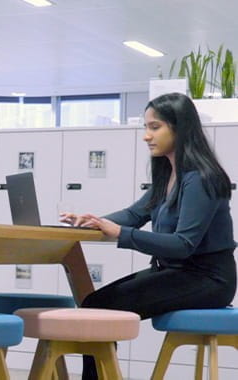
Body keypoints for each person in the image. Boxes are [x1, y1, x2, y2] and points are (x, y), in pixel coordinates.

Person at [61, 93, 237, 380]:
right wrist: (94, 221)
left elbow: (183, 245)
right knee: (94, 303)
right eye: (146, 128)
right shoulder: (169, 173)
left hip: (208, 280)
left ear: (179, 128)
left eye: (154, 127)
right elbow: (133, 215)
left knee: (98, 308)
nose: (146, 136)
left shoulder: (201, 178)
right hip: (177, 273)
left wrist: (121, 234)